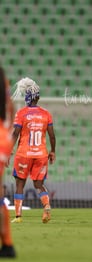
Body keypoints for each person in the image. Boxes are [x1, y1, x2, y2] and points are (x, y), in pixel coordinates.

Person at [9, 77, 56, 224]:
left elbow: (15, 134)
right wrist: (53, 151)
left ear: (28, 97)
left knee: (19, 184)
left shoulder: (22, 113)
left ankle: (18, 217)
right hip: (41, 154)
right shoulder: (46, 114)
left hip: (24, 154)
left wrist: (8, 151)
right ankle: (46, 206)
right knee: (38, 184)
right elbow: (52, 135)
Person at [0, 66, 16, 257]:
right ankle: (8, 245)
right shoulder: (2, 77)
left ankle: (8, 245)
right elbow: (11, 106)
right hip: (3, 137)